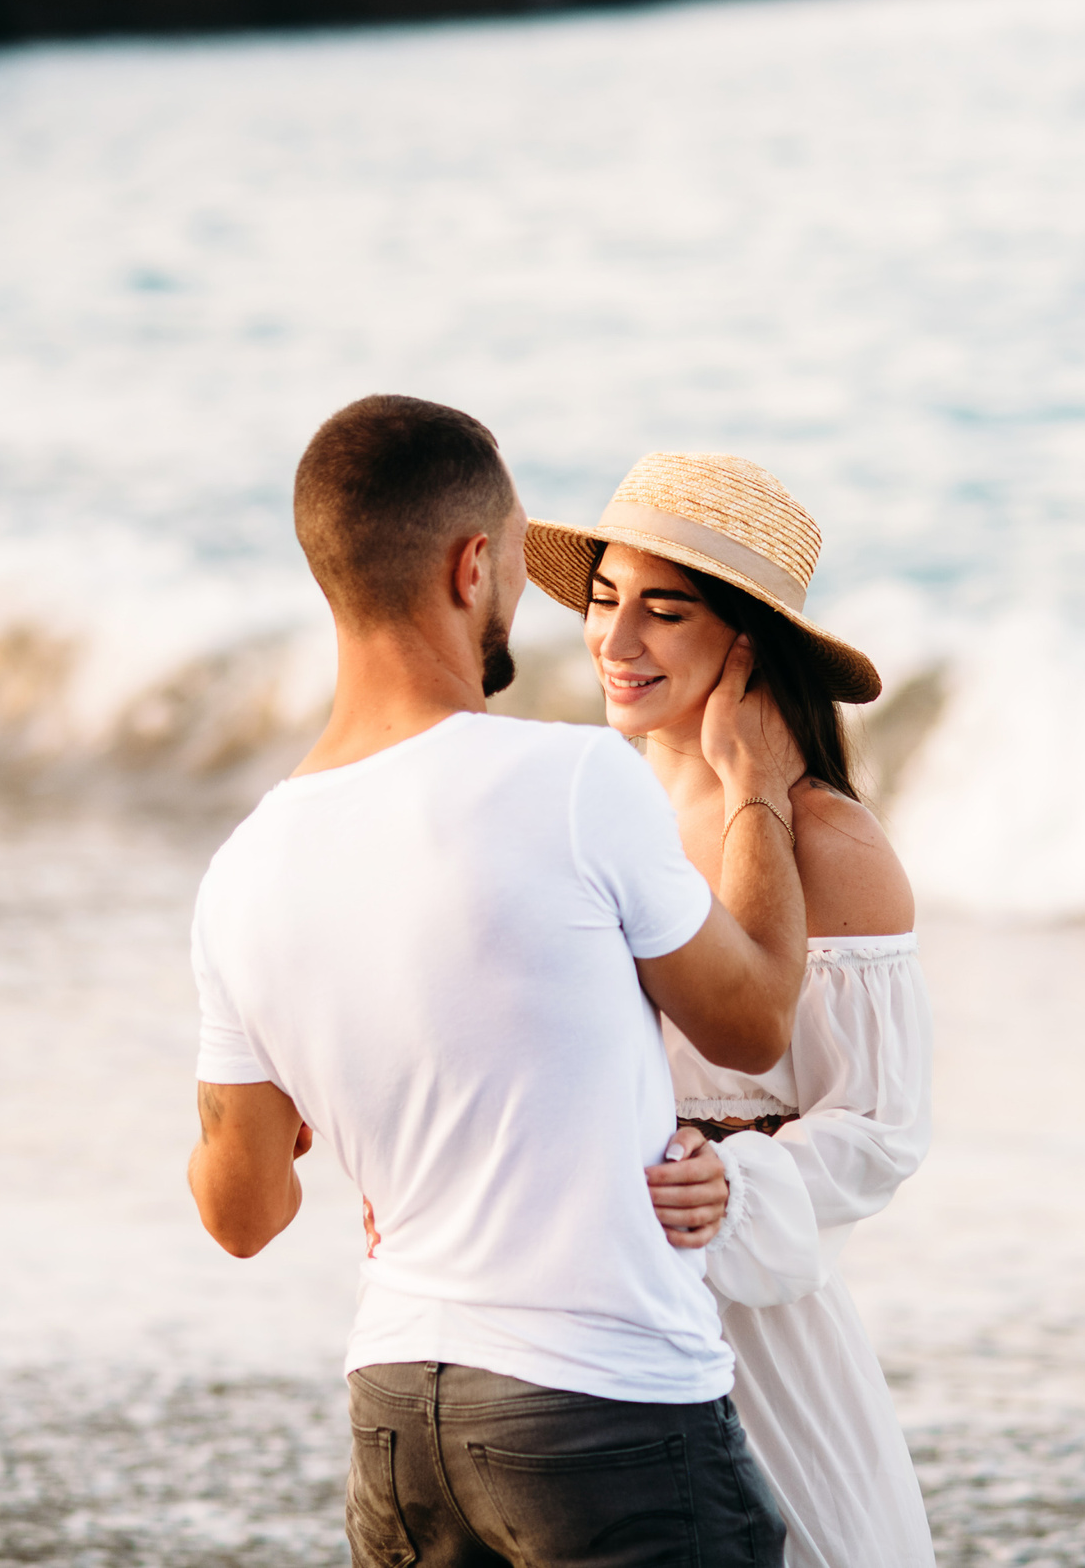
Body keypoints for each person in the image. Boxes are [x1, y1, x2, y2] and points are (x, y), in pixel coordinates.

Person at [187, 395, 811, 1568]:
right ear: (473, 565)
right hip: (603, 1410)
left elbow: (241, 1213)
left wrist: (303, 1119)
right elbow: (755, 1020)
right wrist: (759, 789)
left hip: (398, 1425)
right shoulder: (574, 780)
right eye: (522, 562)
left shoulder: (242, 871)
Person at [524, 452, 937, 1568]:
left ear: (746, 642)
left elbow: (881, 1133)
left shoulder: (831, 845)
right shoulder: (597, 810)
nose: (614, 643)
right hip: (580, 1309)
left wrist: (736, 1183)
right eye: (604, 602)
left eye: (664, 612)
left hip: (752, 1328)